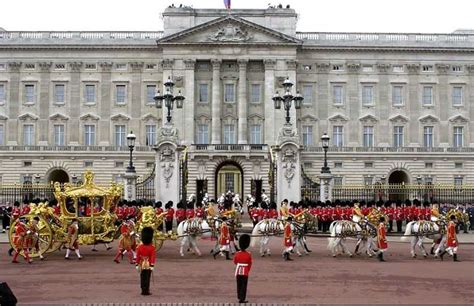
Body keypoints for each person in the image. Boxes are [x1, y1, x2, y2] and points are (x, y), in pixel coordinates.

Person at [135, 227, 156, 296]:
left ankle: (142, 289)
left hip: (141, 263)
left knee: (142, 276)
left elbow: (137, 256)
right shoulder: (152, 248)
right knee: (147, 276)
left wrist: (137, 264)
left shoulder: (140, 247)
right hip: (148, 264)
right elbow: (152, 257)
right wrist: (152, 265)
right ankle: (146, 290)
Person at [233, 234, 252, 304]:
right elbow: (250, 263)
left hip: (238, 270)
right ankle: (242, 298)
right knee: (244, 285)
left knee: (239, 284)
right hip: (245, 271)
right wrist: (247, 270)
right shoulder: (248, 254)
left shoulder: (237, 253)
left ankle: (239, 297)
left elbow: (235, 261)